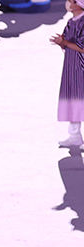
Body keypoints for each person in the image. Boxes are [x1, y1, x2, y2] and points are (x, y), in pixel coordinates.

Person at [53, 0, 84, 149]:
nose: (69, 2)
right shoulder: (71, 22)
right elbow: (66, 42)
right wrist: (61, 42)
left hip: (82, 67)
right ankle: (74, 136)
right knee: (73, 101)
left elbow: (82, 48)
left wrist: (64, 42)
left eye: (73, 0)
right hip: (71, 67)